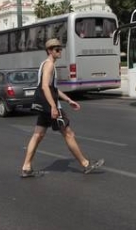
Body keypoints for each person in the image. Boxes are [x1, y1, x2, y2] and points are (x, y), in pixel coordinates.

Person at [21, 38, 104, 177]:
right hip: (51, 107)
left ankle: (26, 167)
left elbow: (53, 88)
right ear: (49, 51)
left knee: (38, 135)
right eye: (56, 49)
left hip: (45, 106)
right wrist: (54, 106)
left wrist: (68, 99)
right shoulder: (49, 65)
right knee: (68, 134)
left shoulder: (45, 65)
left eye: (60, 48)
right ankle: (85, 164)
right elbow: (45, 87)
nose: (59, 51)